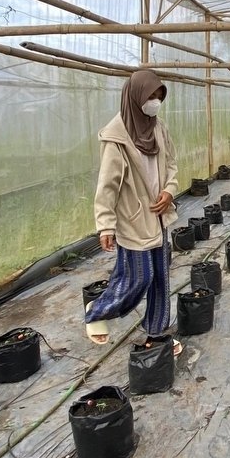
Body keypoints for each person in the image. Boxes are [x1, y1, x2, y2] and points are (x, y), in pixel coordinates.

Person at [85, 68, 182, 353]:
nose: (155, 102)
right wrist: (105, 224)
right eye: (150, 96)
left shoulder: (159, 128)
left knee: (161, 278)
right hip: (133, 218)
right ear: (135, 96)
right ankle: (98, 310)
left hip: (159, 216)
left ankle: (157, 334)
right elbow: (107, 185)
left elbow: (171, 164)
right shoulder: (116, 136)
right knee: (140, 277)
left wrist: (169, 191)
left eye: (159, 96)